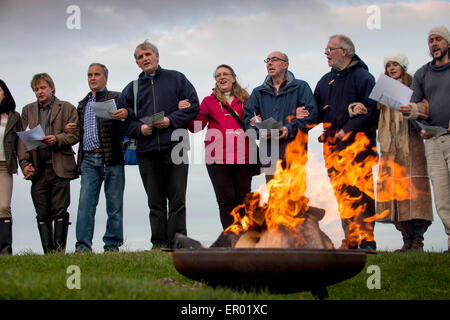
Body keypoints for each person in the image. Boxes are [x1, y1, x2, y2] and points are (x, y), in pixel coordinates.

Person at [117, 40, 200, 249]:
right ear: (137, 63)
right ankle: (159, 243)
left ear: (157, 56)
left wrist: (171, 120)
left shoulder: (177, 78)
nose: (144, 59)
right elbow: (122, 120)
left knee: (177, 199)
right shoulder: (131, 89)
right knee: (155, 201)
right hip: (146, 151)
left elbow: (194, 107)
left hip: (176, 148)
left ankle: (179, 243)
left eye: (147, 54)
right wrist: (139, 130)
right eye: (140, 57)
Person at [350, 52, 433, 252]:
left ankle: (417, 240)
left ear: (403, 67)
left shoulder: (415, 84)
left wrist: (413, 108)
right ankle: (406, 239)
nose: (391, 68)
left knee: (415, 194)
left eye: (395, 65)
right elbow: (373, 114)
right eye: (388, 65)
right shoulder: (383, 91)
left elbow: (427, 108)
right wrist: (356, 108)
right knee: (395, 196)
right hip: (390, 149)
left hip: (412, 146)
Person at [314, 35, 379, 250]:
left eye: (330, 49)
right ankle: (351, 238)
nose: (326, 53)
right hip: (332, 151)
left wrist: (346, 131)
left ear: (344, 51)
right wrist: (303, 113)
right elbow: (316, 113)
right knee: (342, 194)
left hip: (359, 148)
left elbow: (373, 113)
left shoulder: (364, 78)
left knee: (362, 193)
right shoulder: (324, 81)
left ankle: (367, 239)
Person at [179, 64, 255, 229]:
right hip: (217, 158)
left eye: (225, 74)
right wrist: (185, 112)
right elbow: (196, 127)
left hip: (244, 156)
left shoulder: (246, 99)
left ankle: (245, 238)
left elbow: (256, 120)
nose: (222, 77)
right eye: (218, 75)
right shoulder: (209, 101)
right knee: (225, 199)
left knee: (243, 199)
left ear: (233, 78)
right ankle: (230, 240)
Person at [67, 63, 129, 253]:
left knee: (114, 205)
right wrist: (71, 129)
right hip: (88, 159)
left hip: (112, 158)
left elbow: (131, 118)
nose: (92, 78)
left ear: (105, 78)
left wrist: (126, 114)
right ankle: (83, 247)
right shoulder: (82, 104)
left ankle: (112, 246)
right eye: (89, 75)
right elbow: (79, 133)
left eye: (96, 75)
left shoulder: (117, 98)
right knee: (85, 204)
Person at [18, 73, 79, 254]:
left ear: (52, 88)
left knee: (60, 210)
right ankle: (48, 253)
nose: (39, 92)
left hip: (59, 165)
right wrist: (24, 164)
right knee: (42, 213)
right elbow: (22, 140)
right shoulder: (27, 110)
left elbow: (75, 135)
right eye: (36, 89)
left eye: (43, 88)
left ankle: (59, 253)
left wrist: (57, 139)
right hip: (38, 169)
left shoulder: (67, 107)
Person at [403, 26, 450, 253]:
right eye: (430, 40)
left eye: (438, 39)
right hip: (432, 142)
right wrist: (419, 126)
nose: (434, 44)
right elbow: (413, 105)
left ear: (447, 43)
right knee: (442, 199)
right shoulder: (422, 73)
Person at [244, 51, 318, 182]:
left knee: (296, 199)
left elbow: (312, 116)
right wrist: (259, 132)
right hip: (270, 156)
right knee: (275, 199)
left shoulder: (301, 87)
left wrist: (289, 129)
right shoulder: (258, 92)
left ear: (286, 64)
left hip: (295, 155)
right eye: (267, 61)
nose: (270, 63)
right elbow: (248, 120)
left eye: (274, 59)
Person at [0, 80, 22, 255]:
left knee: (3, 206)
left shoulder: (14, 117)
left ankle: (5, 250)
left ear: (4, 94)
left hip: (4, 166)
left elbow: (20, 143)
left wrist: (25, 164)